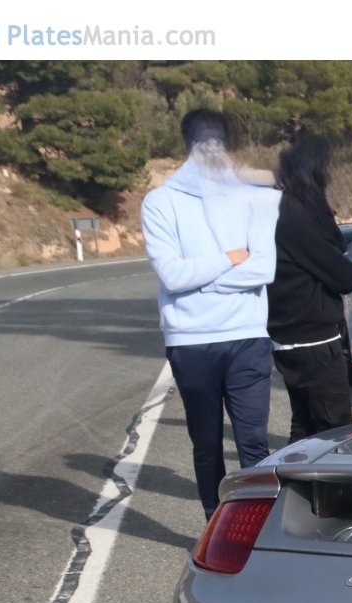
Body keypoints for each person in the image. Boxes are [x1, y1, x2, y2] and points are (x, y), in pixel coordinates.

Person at [141, 109, 282, 519]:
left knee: (254, 444)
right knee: (206, 445)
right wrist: (230, 259)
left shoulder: (254, 197)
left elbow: (264, 268)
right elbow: (171, 273)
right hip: (191, 340)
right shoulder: (161, 202)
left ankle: (257, 532)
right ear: (191, 145)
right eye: (206, 141)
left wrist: (202, 273)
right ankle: (213, 527)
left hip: (248, 336)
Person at [266, 135, 352, 441]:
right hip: (314, 341)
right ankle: (337, 491)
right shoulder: (298, 215)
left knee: (304, 428)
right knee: (335, 433)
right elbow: (343, 276)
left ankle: (302, 490)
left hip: (286, 338)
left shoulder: (279, 209)